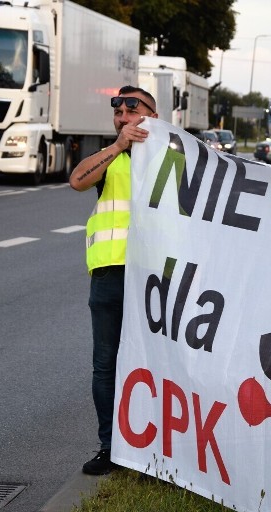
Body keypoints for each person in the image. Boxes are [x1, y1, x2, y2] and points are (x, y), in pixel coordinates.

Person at [68, 86, 157, 475]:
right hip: (110, 273)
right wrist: (119, 146)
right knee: (106, 365)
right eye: (117, 110)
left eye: (132, 108)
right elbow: (77, 180)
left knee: (156, 364)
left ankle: (157, 452)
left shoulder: (174, 157)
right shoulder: (111, 158)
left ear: (152, 115)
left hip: (156, 276)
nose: (123, 115)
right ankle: (111, 448)